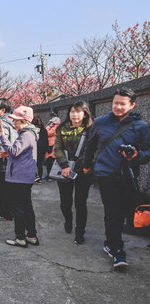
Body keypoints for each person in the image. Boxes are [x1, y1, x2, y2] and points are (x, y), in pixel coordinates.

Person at [82, 88, 150, 268]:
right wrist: (87, 164)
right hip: (105, 174)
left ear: (132, 105)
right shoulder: (99, 122)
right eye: (115, 103)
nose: (118, 107)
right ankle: (117, 250)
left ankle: (110, 241)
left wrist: (137, 156)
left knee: (124, 210)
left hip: (128, 175)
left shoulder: (141, 127)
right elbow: (90, 146)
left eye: (122, 104)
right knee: (112, 211)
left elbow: (148, 151)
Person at [0, 106, 40, 247]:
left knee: (19, 208)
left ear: (25, 120)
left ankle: (20, 237)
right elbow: (19, 153)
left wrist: (2, 137)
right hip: (25, 176)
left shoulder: (26, 135)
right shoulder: (29, 133)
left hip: (19, 177)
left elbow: (15, 151)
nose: (14, 124)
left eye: (17, 121)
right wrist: (8, 153)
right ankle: (31, 235)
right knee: (27, 206)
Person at [54, 101, 94, 244]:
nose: (74, 115)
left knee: (80, 202)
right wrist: (64, 165)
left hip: (84, 170)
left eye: (78, 112)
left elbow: (93, 149)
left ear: (85, 114)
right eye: (72, 111)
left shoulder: (91, 129)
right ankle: (68, 218)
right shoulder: (62, 128)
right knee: (65, 201)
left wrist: (86, 165)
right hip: (65, 169)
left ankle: (80, 231)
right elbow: (57, 148)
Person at [0, 99, 18, 221]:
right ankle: (9, 211)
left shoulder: (2, 122)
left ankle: (5, 213)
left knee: (1, 188)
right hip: (9, 157)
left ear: (3, 110)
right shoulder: (12, 120)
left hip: (2, 159)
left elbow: (0, 142)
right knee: (8, 187)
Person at [32, 116, 48, 183]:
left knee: (33, 163)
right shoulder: (44, 130)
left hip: (35, 147)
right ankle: (40, 177)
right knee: (40, 163)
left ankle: (35, 177)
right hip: (42, 148)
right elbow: (46, 140)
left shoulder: (33, 129)